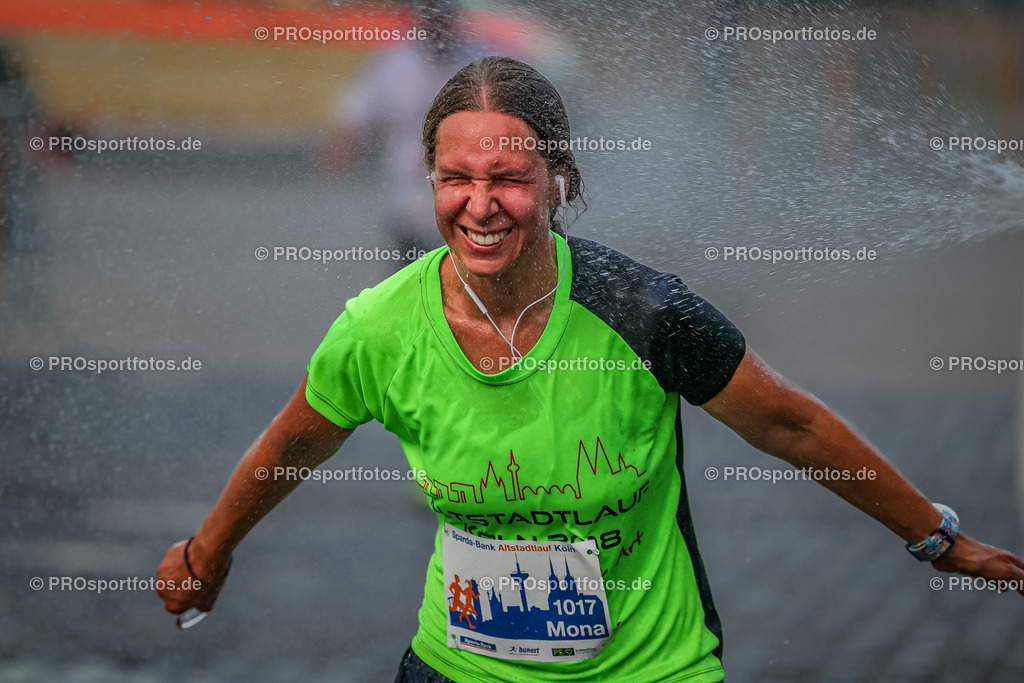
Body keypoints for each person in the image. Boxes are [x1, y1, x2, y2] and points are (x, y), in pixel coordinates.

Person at [158, 56, 1024, 682]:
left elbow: (792, 424)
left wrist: (938, 539)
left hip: (651, 668)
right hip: (460, 668)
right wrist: (210, 550)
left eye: (510, 177)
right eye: (455, 178)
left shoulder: (646, 312)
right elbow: (296, 442)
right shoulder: (380, 328)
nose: (480, 204)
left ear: (560, 180)